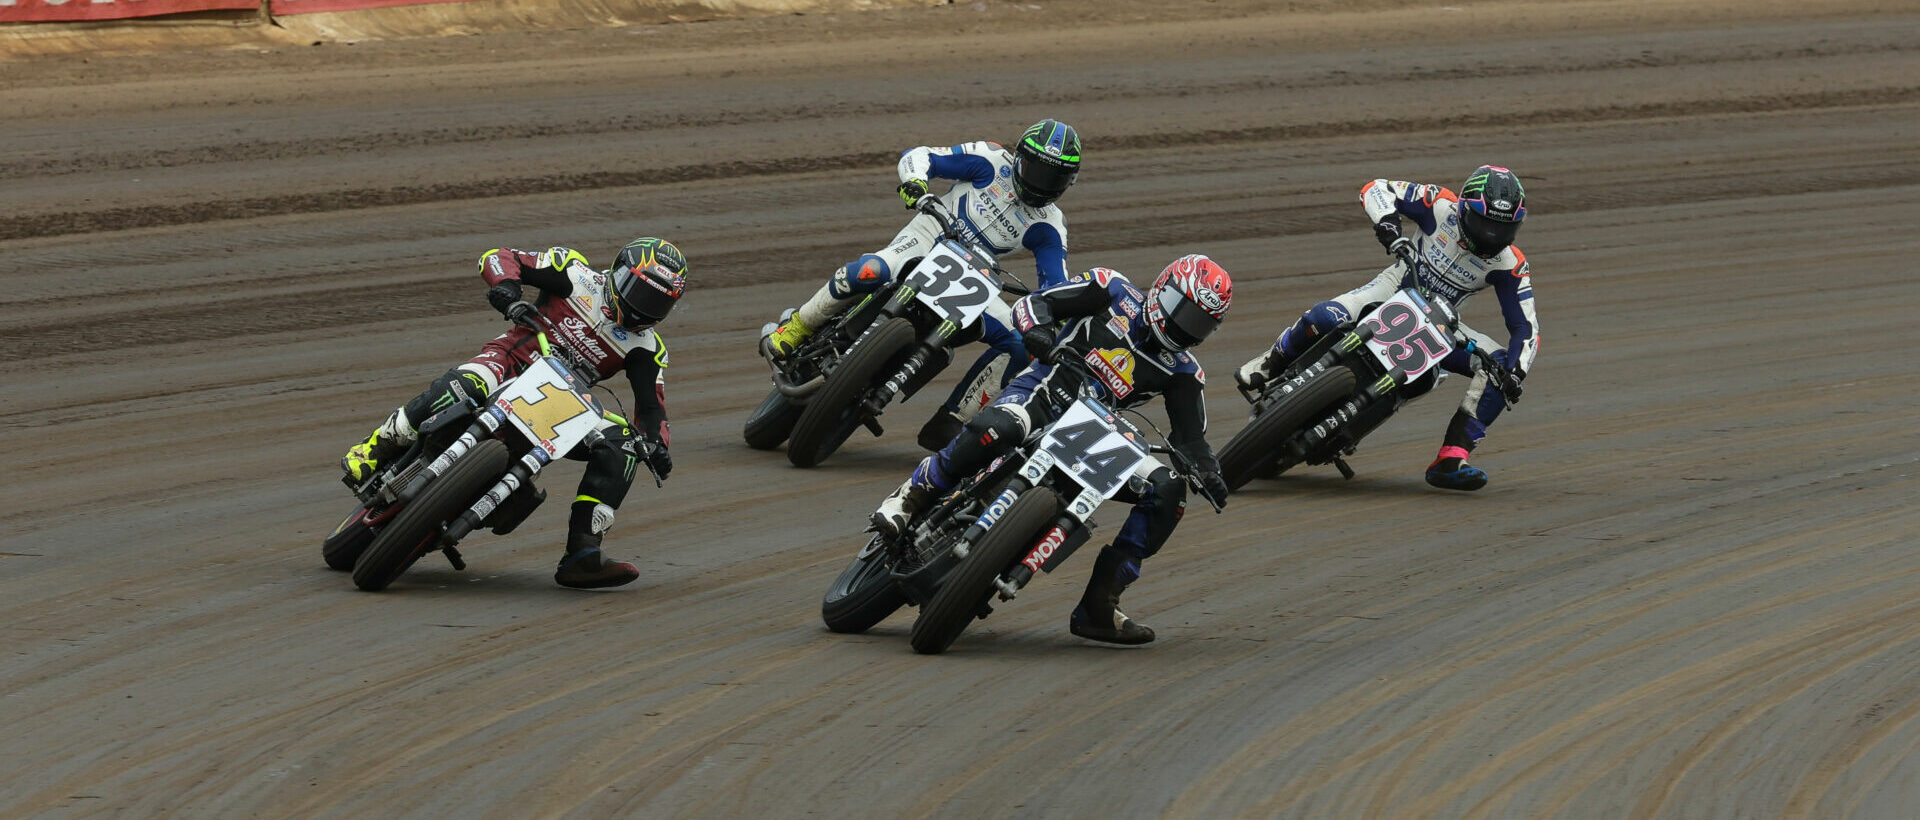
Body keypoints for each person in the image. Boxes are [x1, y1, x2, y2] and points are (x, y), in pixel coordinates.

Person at [871, 255, 1236, 645]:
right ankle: (909, 497)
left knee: (1168, 492)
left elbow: (1191, 439)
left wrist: (1208, 470)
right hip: (1044, 392)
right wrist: (1039, 333)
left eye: (1200, 323)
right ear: (1163, 290)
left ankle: (1099, 604)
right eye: (1184, 312)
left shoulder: (1184, 370)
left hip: (1100, 433)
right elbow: (1034, 303)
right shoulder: (1112, 288)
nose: (1185, 327)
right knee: (998, 428)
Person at [339, 238, 686, 588]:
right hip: (510, 364)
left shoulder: (648, 348)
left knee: (625, 447)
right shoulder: (573, 272)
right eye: (640, 293)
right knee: (459, 387)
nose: (644, 308)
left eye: (658, 302)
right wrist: (506, 289)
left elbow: (652, 409)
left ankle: (582, 553)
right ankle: (372, 449)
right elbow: (500, 257)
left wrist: (656, 446)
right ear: (618, 273)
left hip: (562, 408)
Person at [760, 119, 1082, 445]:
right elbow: (922, 156)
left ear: (1068, 182)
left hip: (975, 279)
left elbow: (1055, 286)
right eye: (1036, 169)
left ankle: (956, 420)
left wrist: (1056, 315)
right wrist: (916, 184)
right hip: (928, 237)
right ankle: (798, 325)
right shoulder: (990, 158)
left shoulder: (1051, 224)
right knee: (871, 270)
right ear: (1019, 158)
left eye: (1053, 177)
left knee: (1020, 345)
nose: (1041, 183)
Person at [1234, 165, 1537, 491]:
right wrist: (1389, 228)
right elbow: (1376, 188)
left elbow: (1526, 327)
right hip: (1390, 291)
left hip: (1442, 326)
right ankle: (1271, 362)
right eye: (1484, 223)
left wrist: (1515, 373)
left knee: (1500, 368)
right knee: (1324, 318)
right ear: (1464, 209)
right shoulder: (1439, 203)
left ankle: (1451, 458)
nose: (1490, 236)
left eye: (1501, 229)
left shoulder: (1511, 264)